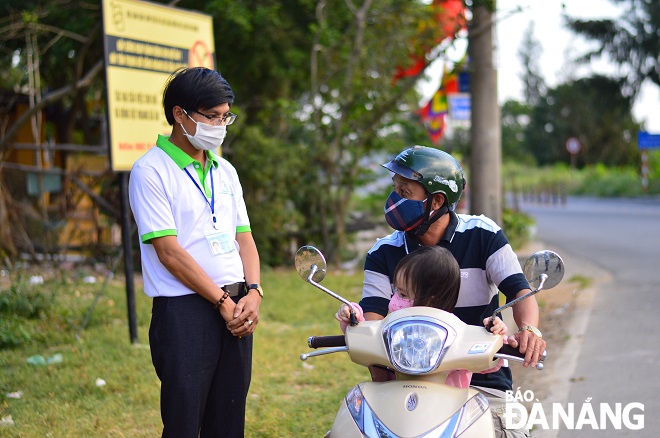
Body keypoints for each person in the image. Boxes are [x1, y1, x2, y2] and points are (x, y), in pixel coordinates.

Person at [359, 145, 545, 437]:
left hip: (482, 382)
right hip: (403, 382)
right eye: (395, 190)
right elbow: (372, 321)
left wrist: (529, 329)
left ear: (437, 201)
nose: (394, 201)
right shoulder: (383, 252)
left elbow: (519, 291)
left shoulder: (483, 235)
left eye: (405, 193)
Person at [128, 67, 263, 438]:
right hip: (184, 311)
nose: (220, 126)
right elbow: (169, 253)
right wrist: (221, 301)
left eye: (225, 117)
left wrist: (254, 292)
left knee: (229, 418)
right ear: (180, 114)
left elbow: (245, 239)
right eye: (212, 117)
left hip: (237, 303)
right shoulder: (151, 171)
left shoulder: (226, 171)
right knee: (185, 421)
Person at [336, 245, 510, 387]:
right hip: (393, 408)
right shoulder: (393, 331)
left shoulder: (457, 335)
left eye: (403, 295)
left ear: (430, 300)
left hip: (448, 413)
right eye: (395, 291)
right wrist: (353, 318)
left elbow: (488, 364)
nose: (393, 302)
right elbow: (369, 336)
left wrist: (494, 336)